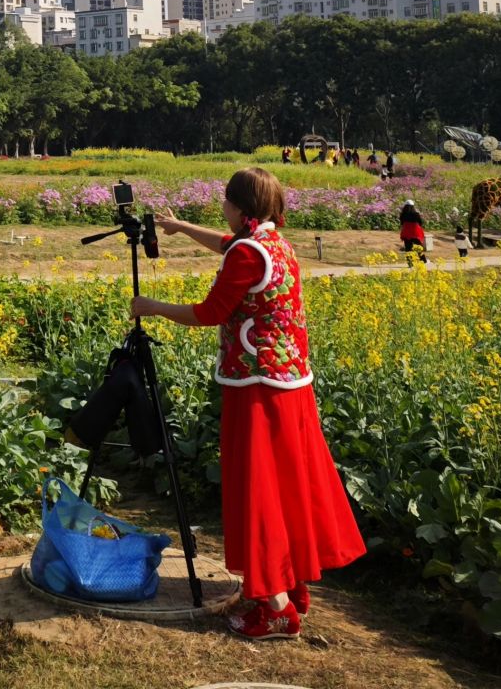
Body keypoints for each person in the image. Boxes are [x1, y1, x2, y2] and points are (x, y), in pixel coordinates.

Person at [130, 168, 365, 640]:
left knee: (258, 490)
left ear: (241, 206)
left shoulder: (247, 251)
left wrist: (151, 307)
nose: (223, 207)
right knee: (285, 488)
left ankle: (274, 607)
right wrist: (179, 228)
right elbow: (228, 245)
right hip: (290, 385)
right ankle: (287, 585)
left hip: (257, 389)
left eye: (226, 200)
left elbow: (210, 312)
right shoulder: (273, 243)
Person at [397, 199, 427, 264]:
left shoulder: (403, 214)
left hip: (406, 232)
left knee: (408, 248)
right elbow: (420, 223)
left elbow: (402, 223)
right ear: (413, 206)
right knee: (418, 247)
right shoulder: (416, 214)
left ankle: (410, 263)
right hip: (415, 232)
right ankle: (423, 260)